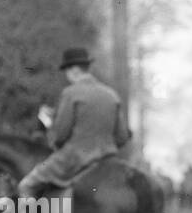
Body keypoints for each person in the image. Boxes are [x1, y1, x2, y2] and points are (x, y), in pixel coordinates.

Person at [17, 47, 131, 198]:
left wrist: (49, 126)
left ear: (74, 70)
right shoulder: (111, 95)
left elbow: (60, 135)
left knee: (26, 185)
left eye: (66, 70)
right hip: (107, 159)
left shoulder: (71, 93)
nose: (67, 75)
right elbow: (122, 137)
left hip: (74, 159)